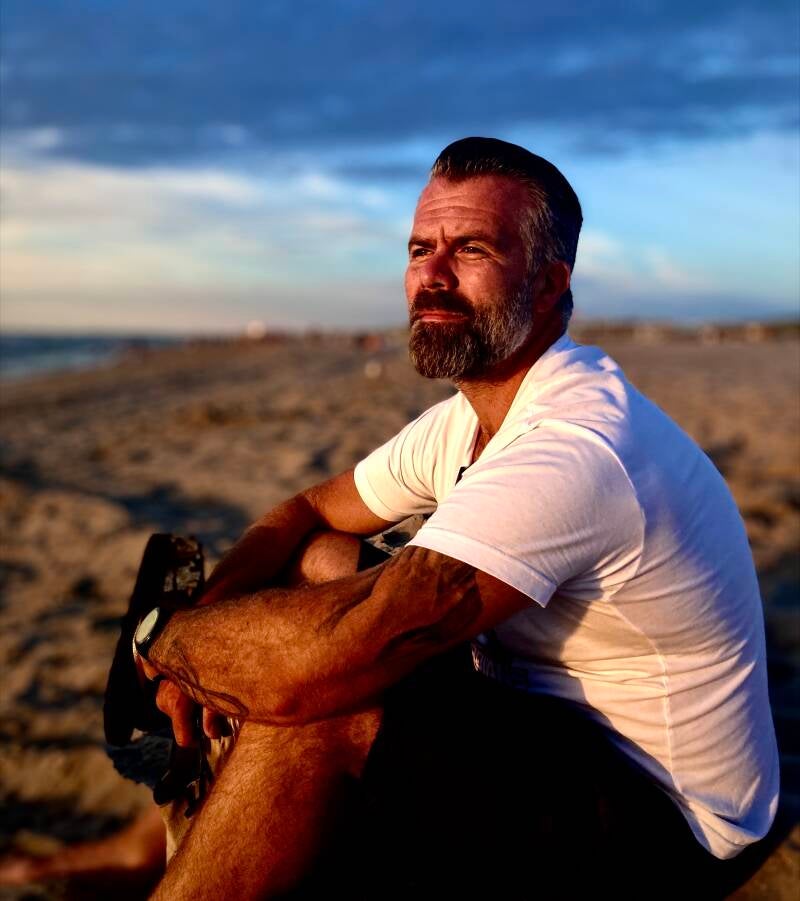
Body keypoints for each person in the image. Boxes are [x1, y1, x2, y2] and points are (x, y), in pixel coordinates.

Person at [5, 137, 781, 899]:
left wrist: (169, 639)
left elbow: (320, 668)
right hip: (537, 722)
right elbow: (308, 509)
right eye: (419, 249)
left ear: (549, 284)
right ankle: (165, 842)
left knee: (326, 702)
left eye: (470, 249)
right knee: (321, 561)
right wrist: (212, 611)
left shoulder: (577, 445)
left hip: (663, 820)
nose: (432, 276)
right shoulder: (471, 415)